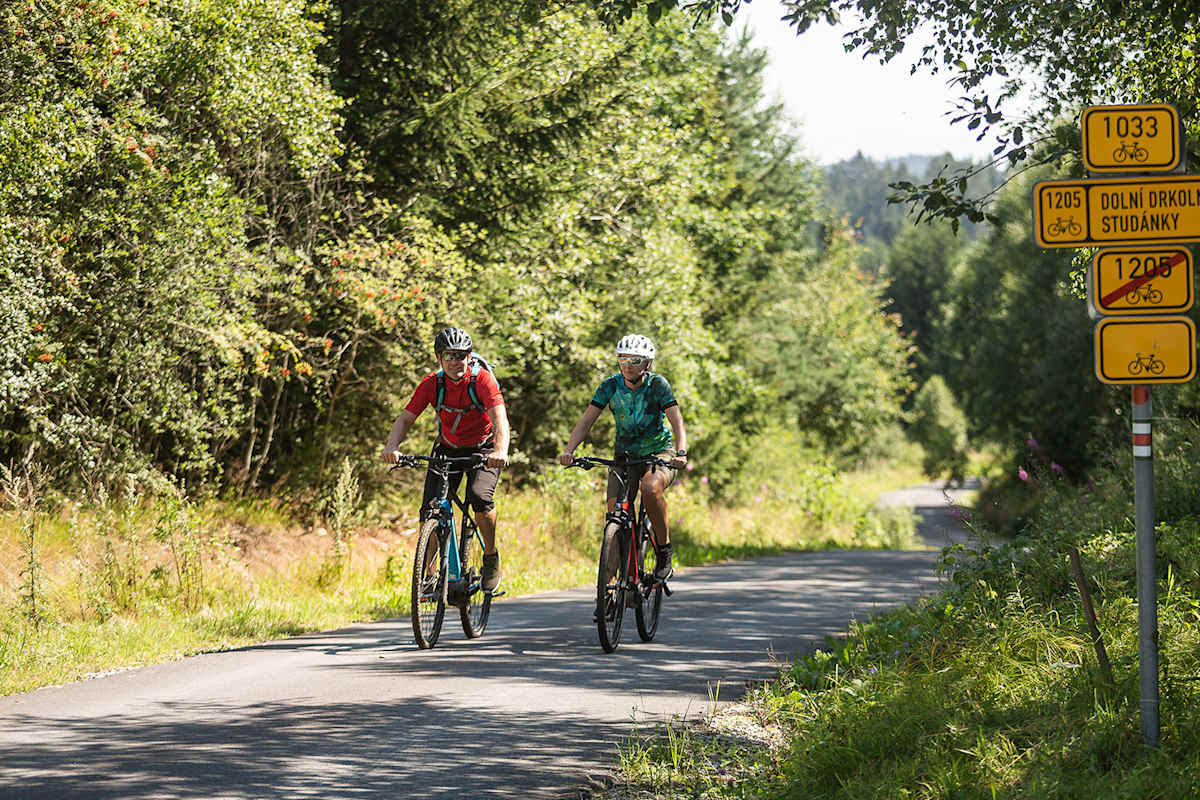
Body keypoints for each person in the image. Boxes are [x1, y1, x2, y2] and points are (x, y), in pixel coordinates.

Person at [382, 327, 510, 592]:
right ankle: (427, 576)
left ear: (469, 356)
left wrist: (500, 451)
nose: (455, 361)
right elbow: (406, 418)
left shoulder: (482, 381)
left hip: (483, 449)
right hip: (448, 448)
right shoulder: (432, 383)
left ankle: (490, 557)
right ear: (439, 358)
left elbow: (500, 419)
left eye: (461, 355)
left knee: (479, 497)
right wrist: (392, 447)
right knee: (430, 508)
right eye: (449, 356)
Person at [557, 333, 688, 582]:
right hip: (625, 456)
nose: (628, 365)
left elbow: (677, 421)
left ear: (647, 364)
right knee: (614, 515)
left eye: (635, 360)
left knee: (650, 487)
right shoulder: (610, 386)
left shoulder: (657, 385)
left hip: (659, 453)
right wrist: (569, 451)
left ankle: (664, 551)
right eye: (623, 359)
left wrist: (681, 452)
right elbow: (587, 420)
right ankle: (608, 588)